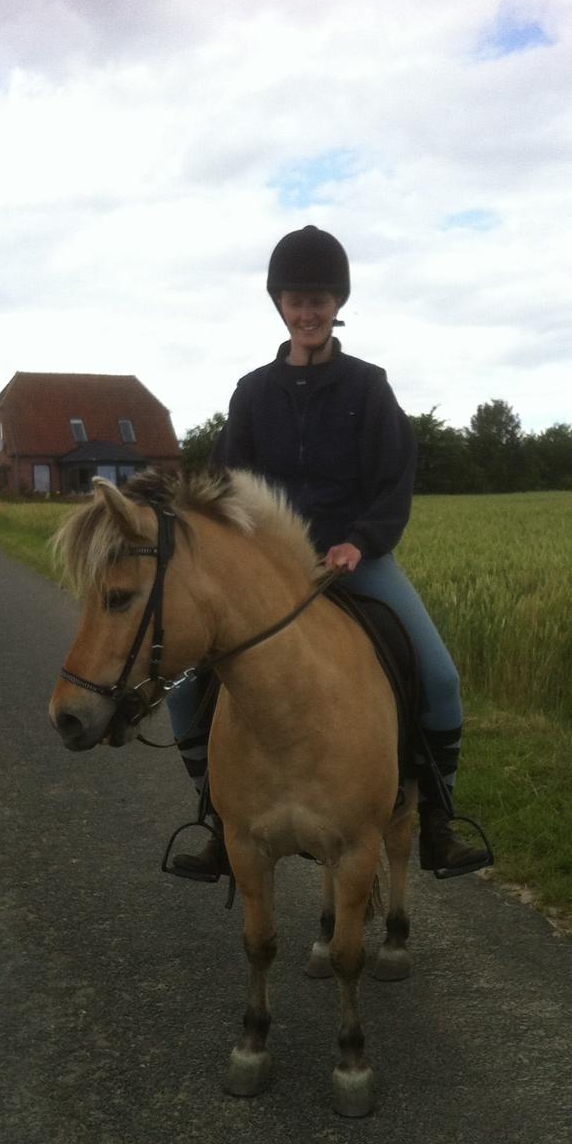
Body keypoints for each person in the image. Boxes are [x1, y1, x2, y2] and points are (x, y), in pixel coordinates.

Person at [166, 224, 490, 880]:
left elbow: (393, 482)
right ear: (279, 306)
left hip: (357, 561)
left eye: (319, 300)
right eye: (296, 299)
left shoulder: (369, 388)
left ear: (337, 304)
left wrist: (359, 543)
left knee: (441, 680)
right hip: (272, 575)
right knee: (180, 693)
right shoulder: (252, 393)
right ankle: (213, 819)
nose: (307, 312)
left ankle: (437, 820)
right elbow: (226, 485)